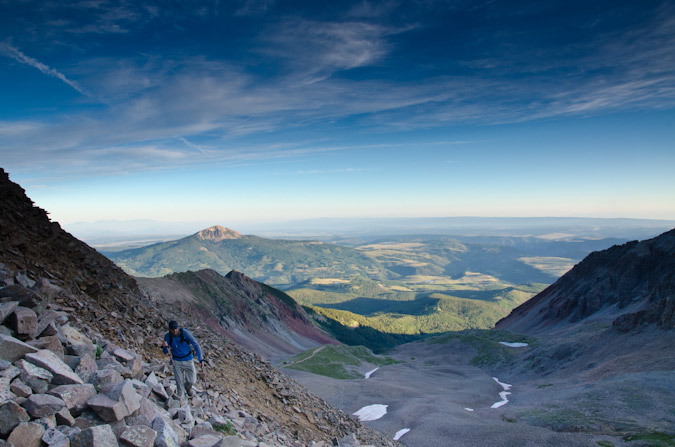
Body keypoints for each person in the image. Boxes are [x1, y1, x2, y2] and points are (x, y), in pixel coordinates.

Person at [162, 320, 204, 402]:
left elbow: (196, 344)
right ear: (169, 329)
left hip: (188, 360)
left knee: (192, 381)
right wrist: (165, 347)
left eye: (176, 328)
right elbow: (165, 352)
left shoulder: (185, 333)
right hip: (176, 362)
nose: (174, 331)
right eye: (172, 329)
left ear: (178, 327)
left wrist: (201, 359)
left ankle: (188, 389)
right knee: (179, 386)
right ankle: (182, 405)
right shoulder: (168, 336)